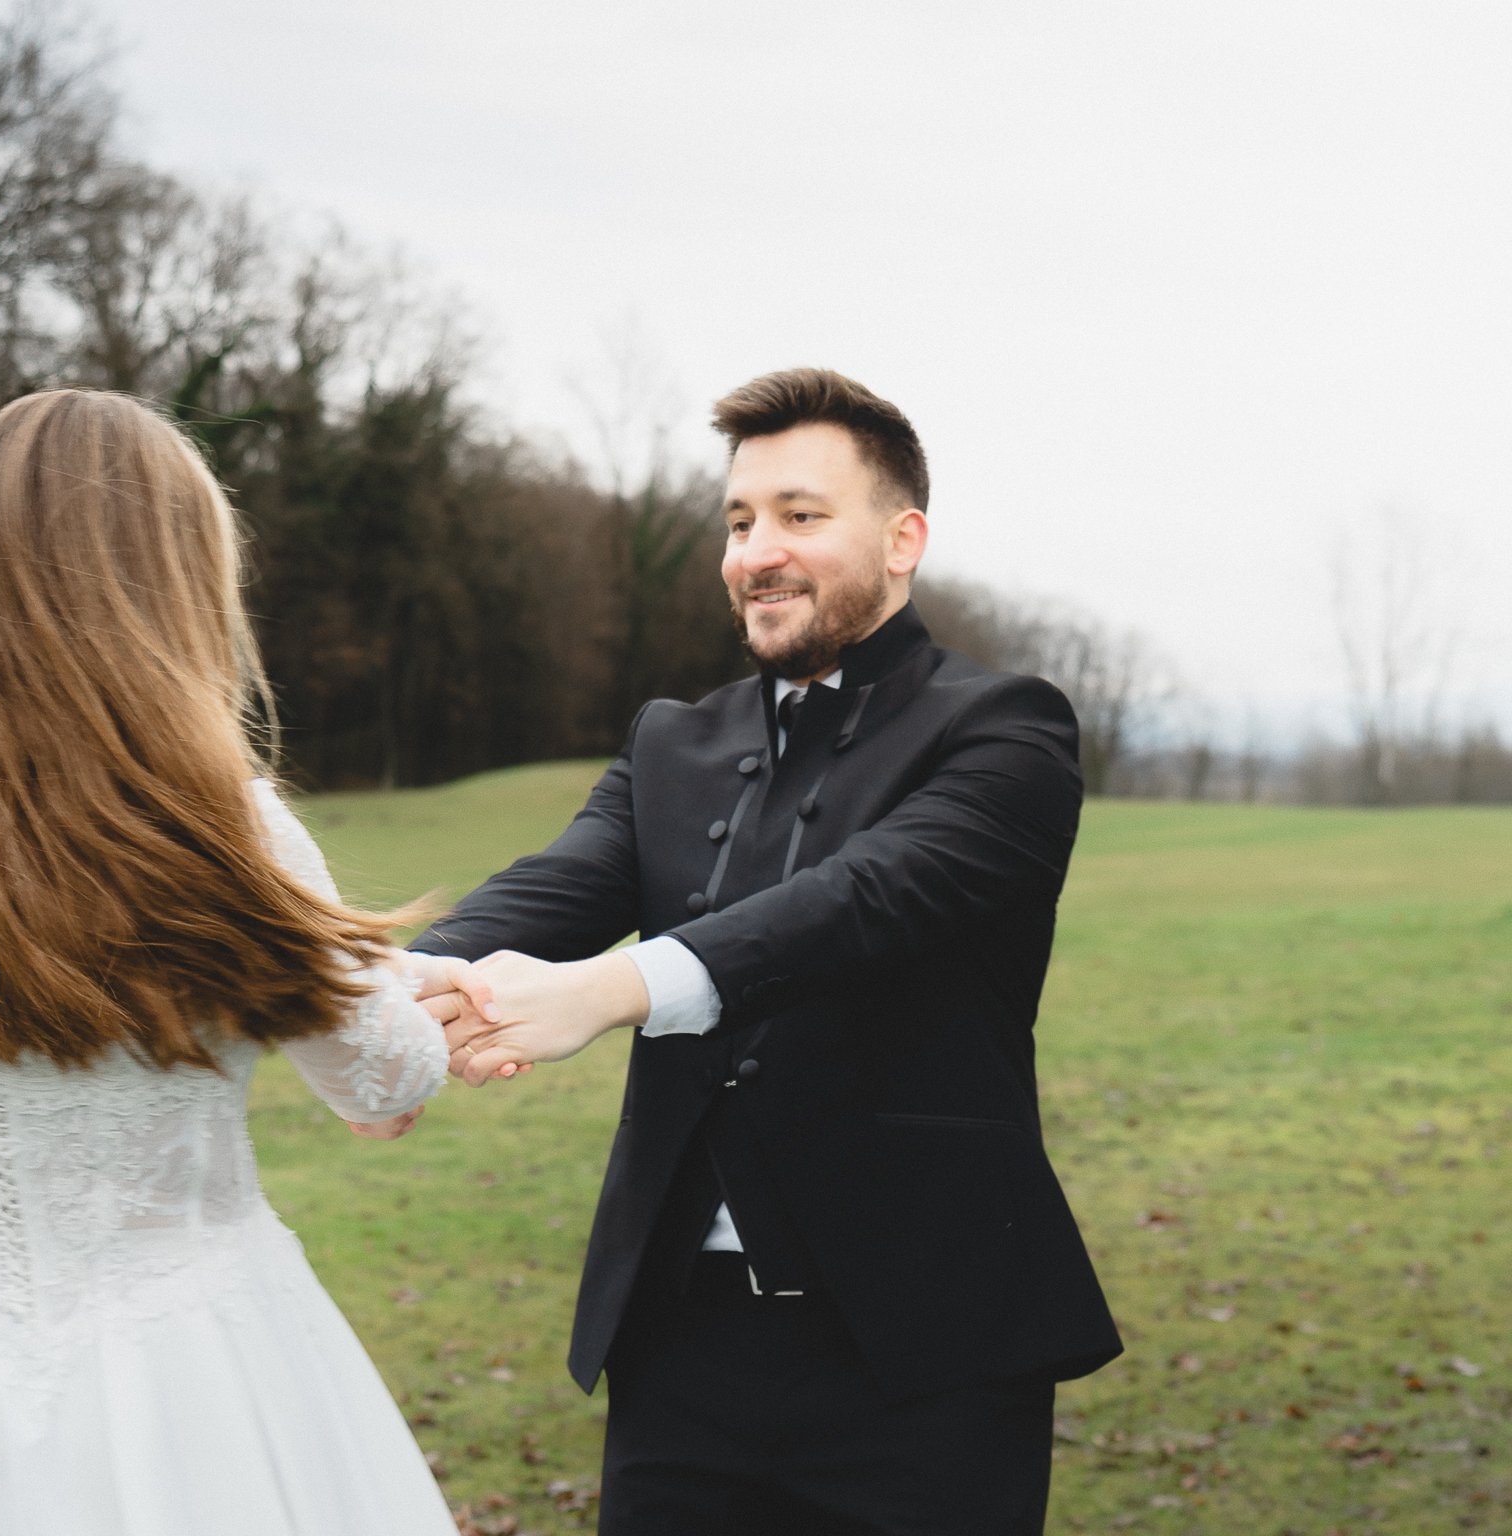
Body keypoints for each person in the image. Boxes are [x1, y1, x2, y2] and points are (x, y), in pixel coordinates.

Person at [422, 368, 1123, 1534]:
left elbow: (862, 902)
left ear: (902, 540)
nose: (757, 552)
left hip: (923, 1354)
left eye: (800, 516)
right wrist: (385, 999)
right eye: (739, 522)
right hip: (678, 1349)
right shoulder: (669, 741)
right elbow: (549, 890)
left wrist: (613, 989)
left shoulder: (1006, 729)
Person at [0, 389, 479, 1536]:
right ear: (176, 576)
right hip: (187, 1358)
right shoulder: (219, 819)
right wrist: (410, 990)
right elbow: (381, 1076)